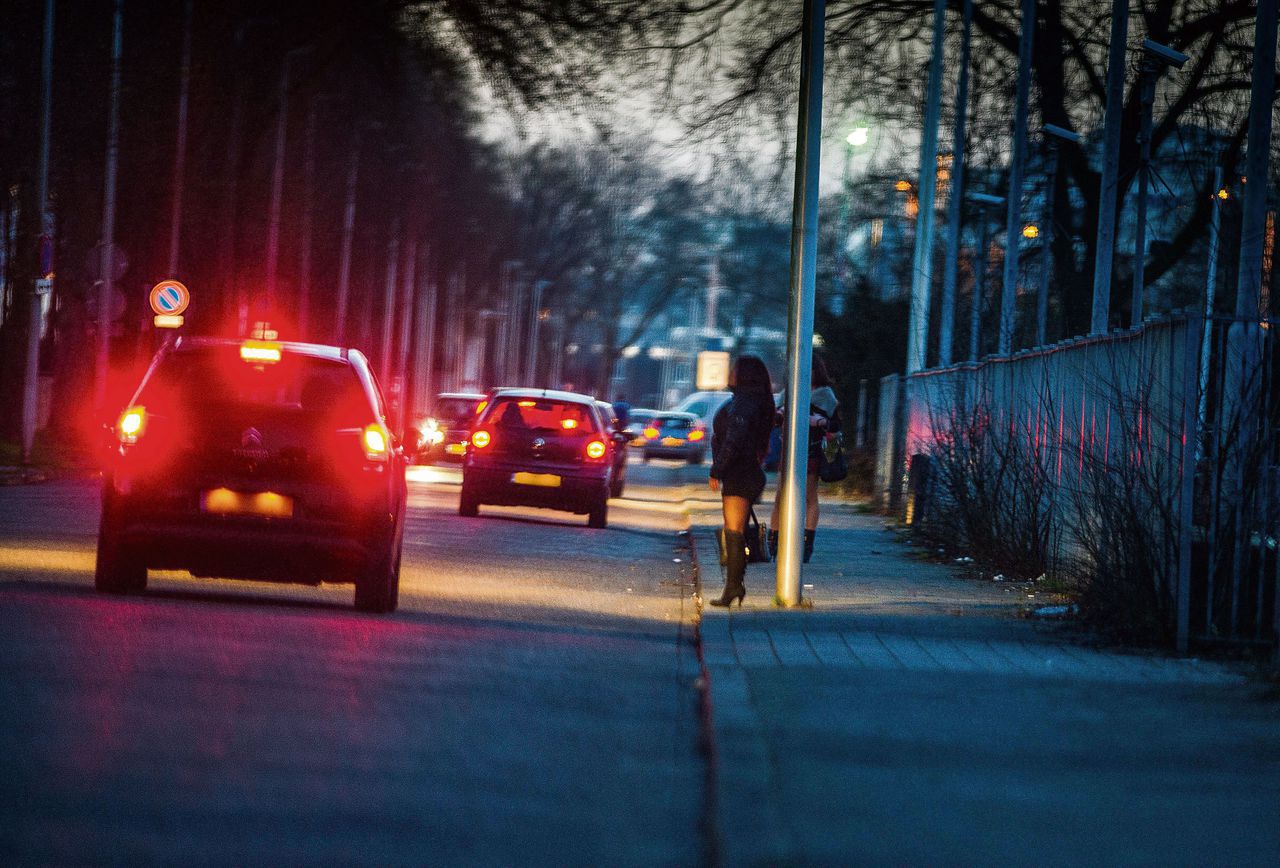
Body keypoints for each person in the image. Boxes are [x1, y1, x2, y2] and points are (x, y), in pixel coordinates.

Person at [708, 355, 775, 607]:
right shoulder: (752, 400)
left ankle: (734, 587)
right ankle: (734, 586)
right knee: (735, 529)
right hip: (744, 469)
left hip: (740, 471)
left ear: (744, 374)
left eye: (734, 369)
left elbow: (734, 439)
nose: (730, 373)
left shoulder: (745, 402)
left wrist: (717, 469)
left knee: (733, 530)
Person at [768, 352, 841, 563]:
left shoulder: (825, 395)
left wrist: (818, 422)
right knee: (781, 495)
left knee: (808, 495)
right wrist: (780, 415)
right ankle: (774, 541)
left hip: (812, 448)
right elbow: (775, 418)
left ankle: (807, 544)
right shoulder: (789, 392)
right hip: (788, 448)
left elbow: (836, 426)